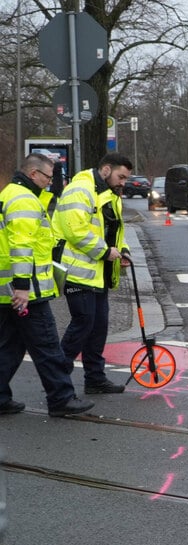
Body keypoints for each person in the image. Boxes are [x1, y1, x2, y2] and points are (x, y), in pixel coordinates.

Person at [0, 153, 95, 417]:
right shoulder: (24, 199)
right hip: (26, 290)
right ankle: (61, 399)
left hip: (9, 289)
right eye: (47, 176)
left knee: (9, 346)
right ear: (33, 174)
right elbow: (22, 246)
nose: (50, 182)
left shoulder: (11, 193)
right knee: (48, 346)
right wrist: (22, 286)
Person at [52, 152, 134, 396]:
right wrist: (104, 252)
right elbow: (75, 229)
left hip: (97, 273)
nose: (123, 183)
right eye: (121, 177)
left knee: (98, 326)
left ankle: (95, 379)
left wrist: (123, 250)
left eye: (126, 179)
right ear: (106, 170)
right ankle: (57, 380)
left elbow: (115, 230)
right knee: (84, 323)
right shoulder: (80, 189)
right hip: (77, 271)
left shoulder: (110, 194)